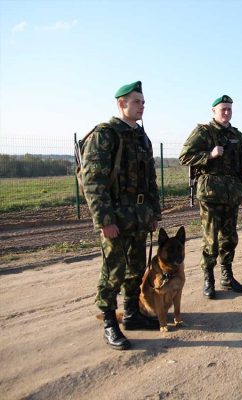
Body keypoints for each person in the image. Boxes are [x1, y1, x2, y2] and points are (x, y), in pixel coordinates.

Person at [80, 81, 162, 350]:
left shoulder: (141, 136)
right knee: (112, 273)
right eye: (136, 102)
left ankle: (131, 314)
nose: (142, 106)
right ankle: (109, 322)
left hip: (138, 217)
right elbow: (93, 182)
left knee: (136, 269)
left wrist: (153, 212)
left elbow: (150, 180)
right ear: (121, 104)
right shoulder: (105, 135)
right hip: (115, 217)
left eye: (143, 102)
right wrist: (104, 221)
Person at [179, 95, 242, 299]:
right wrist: (209, 155)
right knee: (211, 240)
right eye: (223, 109)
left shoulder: (237, 135)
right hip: (210, 195)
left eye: (229, 109)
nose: (226, 112)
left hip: (232, 194)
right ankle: (208, 279)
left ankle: (227, 276)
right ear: (214, 111)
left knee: (229, 238)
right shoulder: (203, 132)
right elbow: (184, 156)